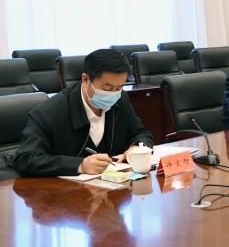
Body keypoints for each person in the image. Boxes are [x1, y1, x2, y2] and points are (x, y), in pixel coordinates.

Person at [14, 49, 154, 177]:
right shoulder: (49, 112)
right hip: (63, 192)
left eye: (119, 88)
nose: (113, 94)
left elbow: (140, 133)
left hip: (111, 187)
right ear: (86, 80)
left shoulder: (120, 99)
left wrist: (137, 148)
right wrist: (80, 165)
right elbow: (25, 159)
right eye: (107, 88)